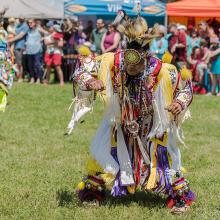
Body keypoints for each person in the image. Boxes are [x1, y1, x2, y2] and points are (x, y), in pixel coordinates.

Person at [72, 11, 195, 214]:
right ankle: (92, 193)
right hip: (119, 120)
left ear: (146, 59)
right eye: (127, 63)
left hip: (152, 124)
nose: (130, 67)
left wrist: (179, 104)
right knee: (103, 153)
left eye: (136, 64)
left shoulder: (162, 70)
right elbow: (81, 64)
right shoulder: (112, 61)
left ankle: (180, 197)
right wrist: (90, 81)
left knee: (163, 157)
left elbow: (185, 86)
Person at [8, 17, 29, 82]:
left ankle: (20, 77)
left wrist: (10, 40)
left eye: (21, 19)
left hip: (20, 46)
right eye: (19, 18)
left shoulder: (25, 26)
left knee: (19, 63)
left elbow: (20, 35)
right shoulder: (17, 25)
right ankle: (17, 76)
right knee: (16, 63)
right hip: (15, 46)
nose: (20, 20)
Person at [43, 22, 64, 87]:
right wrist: (55, 42)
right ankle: (47, 81)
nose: (50, 28)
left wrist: (55, 41)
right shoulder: (46, 35)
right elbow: (46, 43)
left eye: (51, 27)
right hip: (48, 52)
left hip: (56, 52)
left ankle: (61, 82)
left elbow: (61, 44)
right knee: (48, 67)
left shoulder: (58, 35)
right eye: (49, 27)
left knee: (58, 67)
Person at [25, 19, 43, 84]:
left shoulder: (38, 29)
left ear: (35, 23)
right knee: (30, 65)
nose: (30, 24)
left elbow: (47, 33)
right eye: (29, 23)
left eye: (31, 23)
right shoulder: (28, 31)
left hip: (37, 50)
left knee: (37, 65)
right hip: (29, 51)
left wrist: (42, 39)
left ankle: (38, 78)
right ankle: (32, 78)